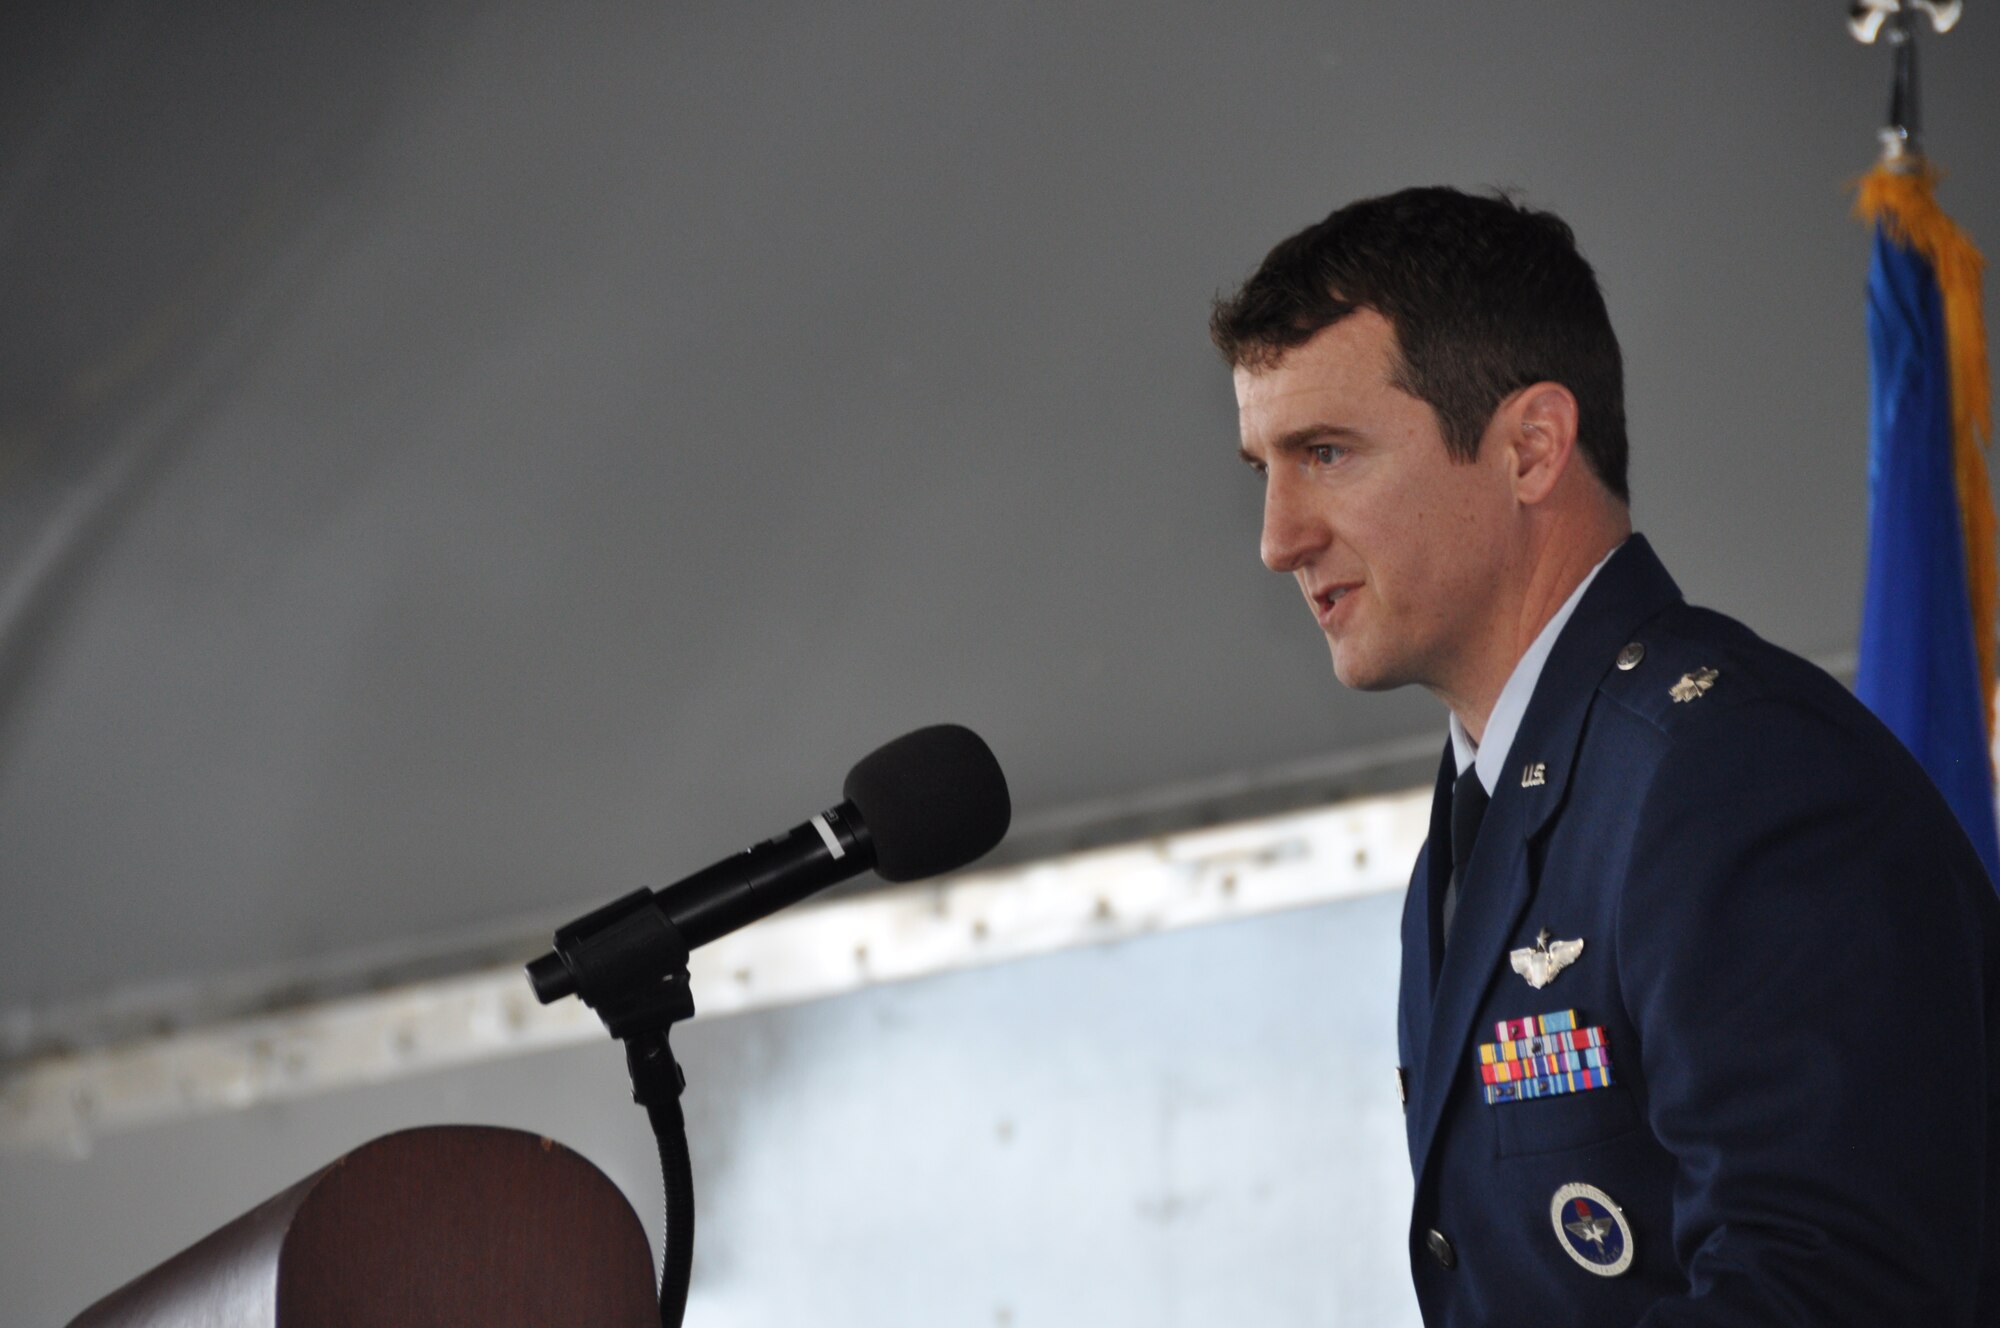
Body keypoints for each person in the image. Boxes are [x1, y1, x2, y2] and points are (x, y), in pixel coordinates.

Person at [1213, 186, 2000, 1326]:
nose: (1278, 537)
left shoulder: (1734, 775)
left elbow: (1829, 1291)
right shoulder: (1496, 801)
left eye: (1325, 452)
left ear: (1530, 447)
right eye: (1263, 470)